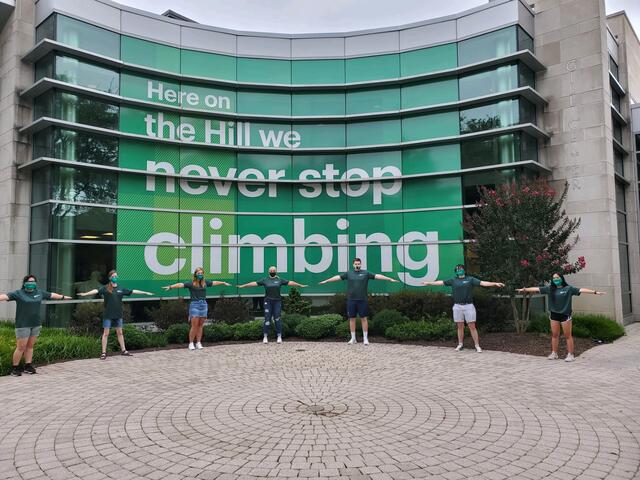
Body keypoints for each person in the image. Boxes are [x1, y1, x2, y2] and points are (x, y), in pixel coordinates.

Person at [518, 273, 605, 362]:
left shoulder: (569, 289)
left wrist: (595, 292)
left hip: (565, 315)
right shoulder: (549, 289)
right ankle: (554, 353)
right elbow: (536, 288)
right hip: (554, 315)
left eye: (557, 277)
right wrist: (524, 289)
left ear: (561, 278)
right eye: (554, 278)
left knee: (568, 336)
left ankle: (570, 354)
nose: (555, 279)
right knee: (555, 335)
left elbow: (581, 290)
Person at [422, 264, 505, 352]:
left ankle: (477, 345)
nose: (459, 270)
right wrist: (428, 283)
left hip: (469, 306)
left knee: (472, 326)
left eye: (461, 269)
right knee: (460, 326)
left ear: (464, 270)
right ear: (455, 271)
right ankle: (460, 344)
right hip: (457, 306)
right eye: (457, 269)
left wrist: (495, 283)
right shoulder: (453, 280)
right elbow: (440, 282)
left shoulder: (470, 279)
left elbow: (483, 283)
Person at [0, 274, 71, 376]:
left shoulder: (39, 292)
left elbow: (51, 295)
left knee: (30, 346)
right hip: (23, 325)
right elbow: (5, 296)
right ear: (24, 283)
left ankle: (28, 365)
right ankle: (15, 368)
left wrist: (64, 297)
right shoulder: (18, 293)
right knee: (21, 347)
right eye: (29, 282)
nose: (31, 284)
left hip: (36, 324)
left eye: (33, 282)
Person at [319, 257, 398, 345]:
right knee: (351, 319)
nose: (357, 265)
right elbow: (337, 277)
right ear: (353, 265)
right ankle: (353, 339)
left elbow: (377, 276)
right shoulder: (349, 273)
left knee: (363, 319)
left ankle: (365, 339)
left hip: (362, 300)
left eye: (358, 264)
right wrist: (326, 281)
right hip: (351, 300)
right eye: (356, 264)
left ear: (360, 264)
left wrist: (389, 279)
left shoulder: (366, 273)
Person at [77, 269, 153, 360]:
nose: (115, 278)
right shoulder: (105, 288)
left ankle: (124, 350)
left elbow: (133, 291)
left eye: (116, 276)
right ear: (110, 278)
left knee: (120, 333)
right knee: (106, 333)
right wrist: (85, 294)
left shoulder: (120, 288)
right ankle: (103, 353)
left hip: (118, 315)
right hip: (108, 315)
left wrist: (145, 293)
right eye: (113, 276)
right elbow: (96, 291)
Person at [162, 267, 231, 350]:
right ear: (195, 274)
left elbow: (214, 282)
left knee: (200, 325)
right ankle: (191, 343)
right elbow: (181, 284)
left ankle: (198, 343)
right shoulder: (191, 283)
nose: (200, 275)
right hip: (194, 305)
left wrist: (223, 282)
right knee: (194, 325)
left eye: (201, 273)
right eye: (199, 273)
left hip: (204, 305)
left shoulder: (205, 283)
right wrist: (170, 287)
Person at [238, 265, 308, 344]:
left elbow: (290, 282)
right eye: (271, 271)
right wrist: (243, 286)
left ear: (276, 271)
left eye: (273, 270)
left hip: (277, 302)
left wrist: (300, 285)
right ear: (268, 272)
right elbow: (254, 283)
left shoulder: (279, 280)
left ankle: (279, 336)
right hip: (268, 302)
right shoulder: (265, 280)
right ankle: (265, 337)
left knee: (277, 319)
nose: (272, 272)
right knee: (267, 319)